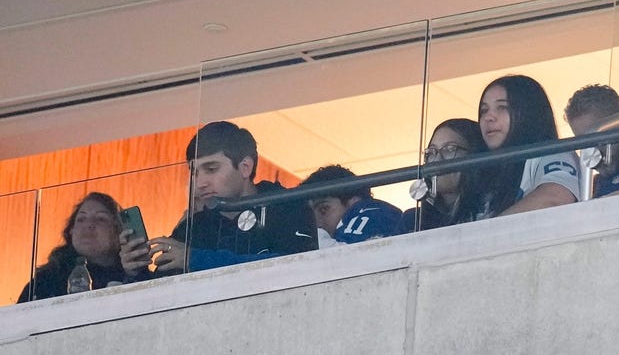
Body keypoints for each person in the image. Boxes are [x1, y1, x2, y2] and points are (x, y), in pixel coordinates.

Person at [120, 121, 317, 276]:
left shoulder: (289, 206)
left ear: (245, 167)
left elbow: (298, 268)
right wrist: (135, 270)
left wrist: (196, 259)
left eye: (211, 169)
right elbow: (163, 297)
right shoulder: (192, 228)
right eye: (194, 172)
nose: (200, 183)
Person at [468, 75, 580, 219]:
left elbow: (554, 198)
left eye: (502, 107)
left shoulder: (553, 152)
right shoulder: (481, 172)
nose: (488, 117)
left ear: (528, 112)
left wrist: (487, 232)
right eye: (484, 110)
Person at [18, 192, 129, 302]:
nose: (89, 224)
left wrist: (137, 274)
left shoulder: (132, 275)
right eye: (81, 219)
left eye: (101, 219)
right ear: (71, 230)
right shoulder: (46, 280)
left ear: (118, 231)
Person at [401, 118, 488, 232]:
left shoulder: (492, 211)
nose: (437, 159)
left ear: (474, 155)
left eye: (450, 149)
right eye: (431, 152)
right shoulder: (413, 221)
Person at [299, 164, 402, 246]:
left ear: (354, 202)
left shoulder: (374, 212)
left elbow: (346, 256)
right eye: (309, 216)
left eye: (323, 210)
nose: (317, 224)